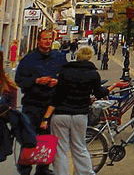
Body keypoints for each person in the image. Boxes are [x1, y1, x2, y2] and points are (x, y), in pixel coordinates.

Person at [40, 46, 107, 175]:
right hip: (79, 115)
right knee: (80, 147)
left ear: (77, 56)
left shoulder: (65, 72)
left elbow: (57, 96)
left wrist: (45, 118)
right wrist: (113, 86)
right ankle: (86, 173)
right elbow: (99, 93)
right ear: (90, 57)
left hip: (61, 115)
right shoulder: (93, 74)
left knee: (60, 150)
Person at [14, 30, 66, 175]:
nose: (47, 41)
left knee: (47, 140)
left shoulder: (59, 58)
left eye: (50, 39)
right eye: (44, 39)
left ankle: (42, 169)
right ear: (38, 41)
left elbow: (65, 78)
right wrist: (36, 81)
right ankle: (25, 169)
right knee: (29, 139)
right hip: (32, 104)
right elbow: (19, 80)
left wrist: (58, 81)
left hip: (50, 105)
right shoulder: (29, 59)